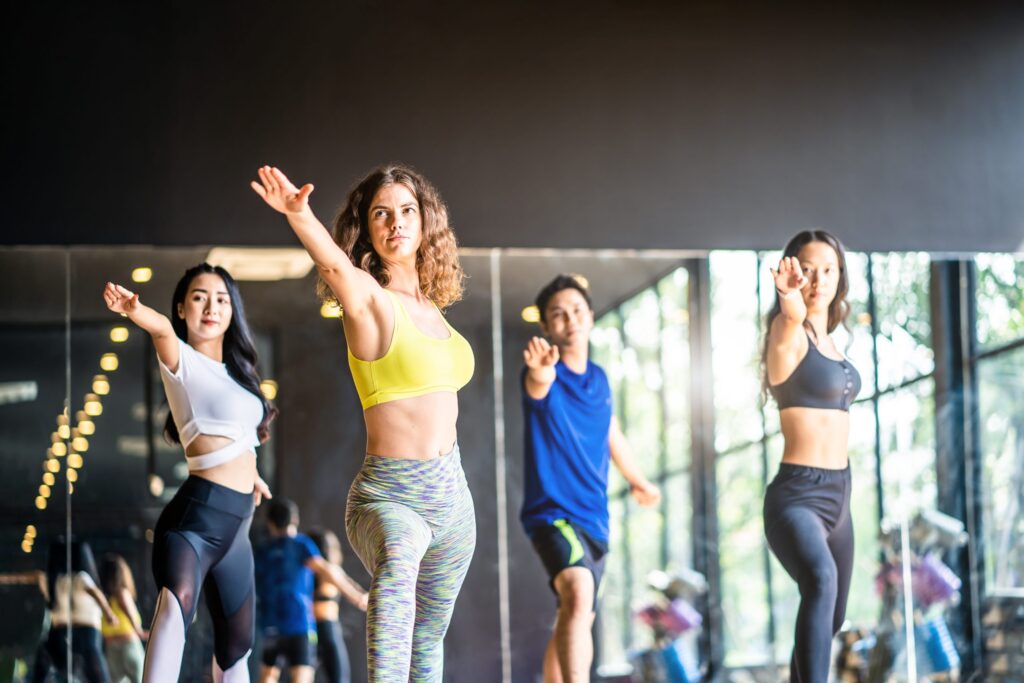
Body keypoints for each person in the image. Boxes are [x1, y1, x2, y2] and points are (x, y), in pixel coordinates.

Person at [252, 164, 475, 683]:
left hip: (454, 497)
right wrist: (299, 215)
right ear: (366, 229)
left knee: (428, 639)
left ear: (425, 221)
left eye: (407, 211)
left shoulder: (434, 310)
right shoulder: (370, 300)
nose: (396, 222)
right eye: (382, 213)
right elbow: (334, 266)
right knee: (396, 569)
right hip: (392, 495)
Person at [103, 262, 276, 682]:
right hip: (194, 522)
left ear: (232, 309)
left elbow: (241, 436)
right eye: (199, 298)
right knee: (175, 609)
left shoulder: (239, 376)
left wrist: (252, 475)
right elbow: (161, 329)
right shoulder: (182, 360)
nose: (212, 308)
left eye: (221, 299)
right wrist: (134, 310)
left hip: (238, 527)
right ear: (182, 308)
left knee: (237, 647)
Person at [521, 274, 662, 683]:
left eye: (577, 311)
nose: (570, 320)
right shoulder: (544, 372)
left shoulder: (599, 379)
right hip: (553, 515)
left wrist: (639, 480)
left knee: (576, 612)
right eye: (558, 314)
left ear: (590, 316)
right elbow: (538, 385)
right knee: (579, 596)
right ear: (546, 326)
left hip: (595, 519)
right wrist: (540, 372)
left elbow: (610, 432)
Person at [762, 230, 861, 683]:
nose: (818, 280)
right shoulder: (787, 334)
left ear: (840, 276)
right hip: (798, 497)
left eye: (829, 270)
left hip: (840, 495)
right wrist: (789, 298)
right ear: (792, 273)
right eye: (807, 270)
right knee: (820, 582)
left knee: (831, 618)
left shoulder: (833, 343)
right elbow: (791, 316)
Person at [255, 499, 367, 683]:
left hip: (271, 627)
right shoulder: (301, 544)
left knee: (268, 677)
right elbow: (327, 570)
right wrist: (356, 596)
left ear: (270, 523)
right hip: (300, 626)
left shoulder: (264, 551)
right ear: (295, 520)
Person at [33, 539, 117, 683]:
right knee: (95, 670)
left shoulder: (63, 580)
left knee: (51, 663)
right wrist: (109, 614)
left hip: (65, 631)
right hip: (80, 630)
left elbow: (95, 593)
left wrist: (109, 613)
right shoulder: (76, 578)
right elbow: (96, 593)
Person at [307, 527, 368, 683]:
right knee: (339, 678)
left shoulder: (307, 569)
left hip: (308, 629)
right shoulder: (330, 571)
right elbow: (358, 596)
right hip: (327, 629)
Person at [99, 554, 147, 683]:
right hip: (128, 643)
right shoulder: (122, 593)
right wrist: (140, 631)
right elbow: (130, 613)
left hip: (111, 647)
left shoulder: (103, 599)